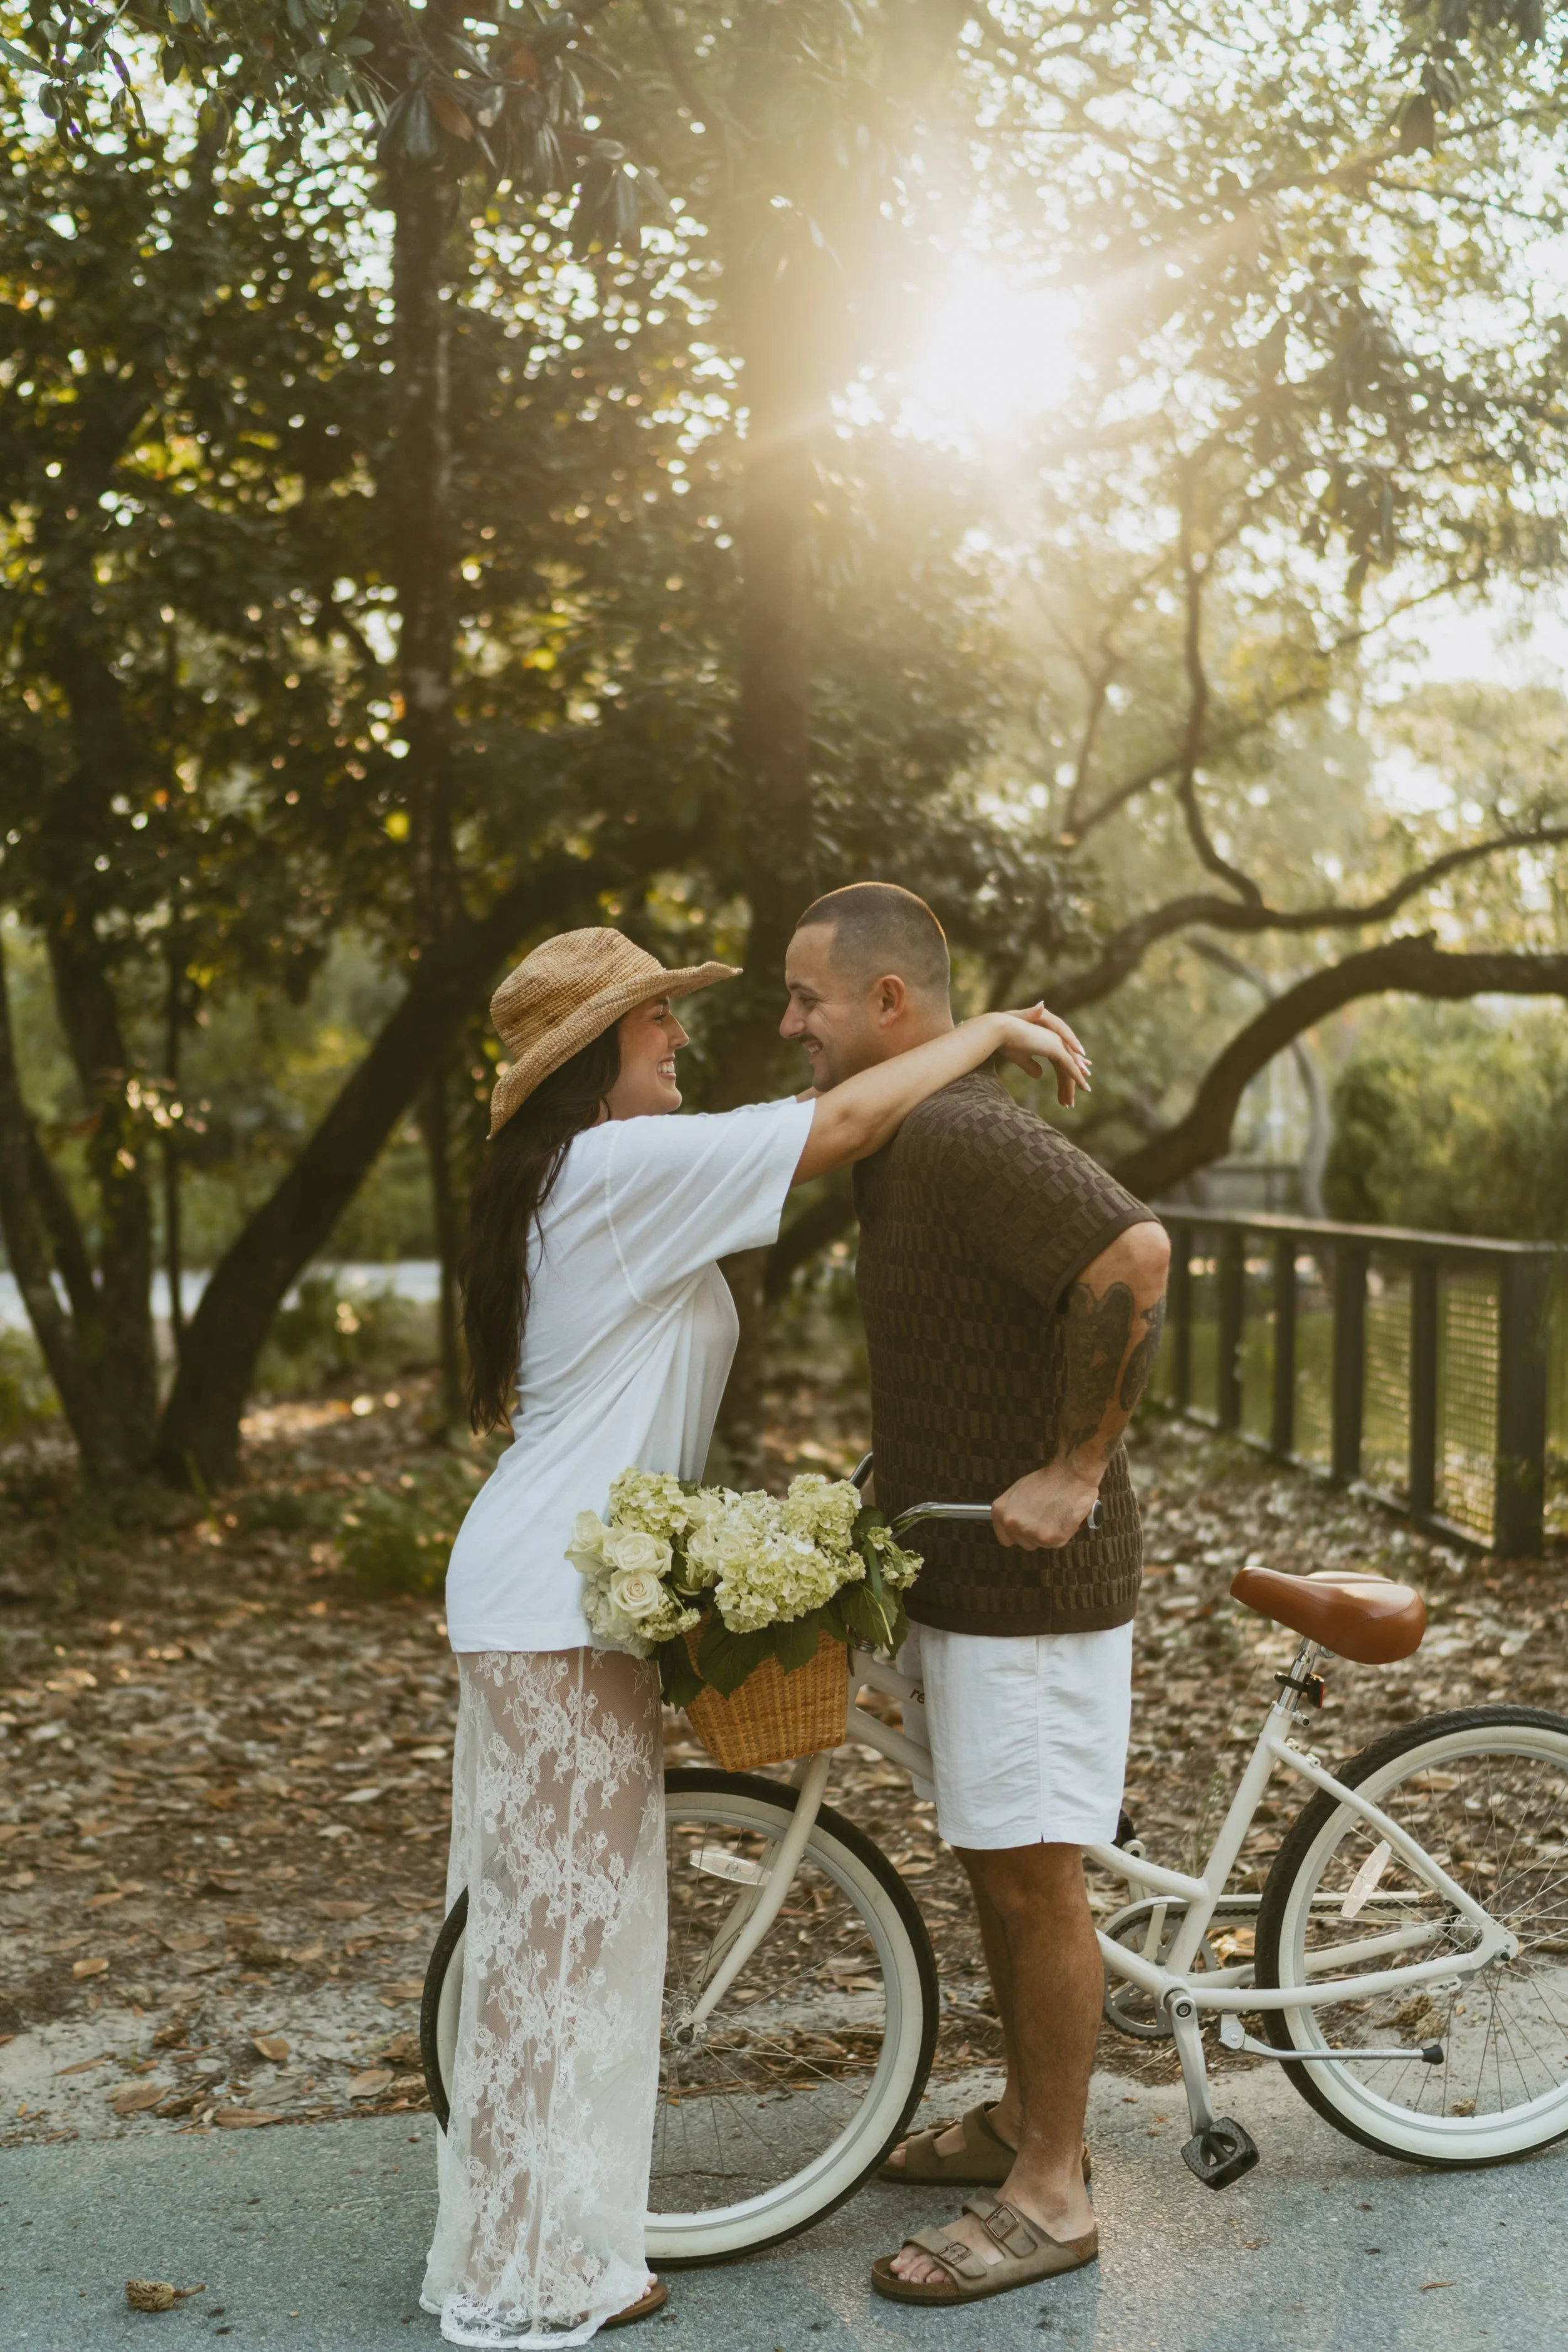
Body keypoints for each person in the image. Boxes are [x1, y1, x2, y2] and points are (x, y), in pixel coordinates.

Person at [418, 923, 1091, 2349]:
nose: (675, 1037)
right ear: (595, 1058)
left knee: (572, 1940)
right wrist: (994, 1033)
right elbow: (842, 1122)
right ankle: (526, 2283)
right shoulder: (613, 1169)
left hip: (558, 1599)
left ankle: (565, 2251)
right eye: (652, 1021)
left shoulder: (590, 1178)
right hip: (548, 1605)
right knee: (555, 1947)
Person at [779, 882, 1170, 2311]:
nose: (786, 1025)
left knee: (1031, 1869)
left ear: (887, 1002)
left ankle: (1054, 2188)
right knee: (994, 1860)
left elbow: (1131, 1253)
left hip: (1035, 1579)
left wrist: (1073, 1465)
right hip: (957, 1563)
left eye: (804, 998)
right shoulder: (902, 1139)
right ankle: (1021, 2115)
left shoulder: (956, 1129)